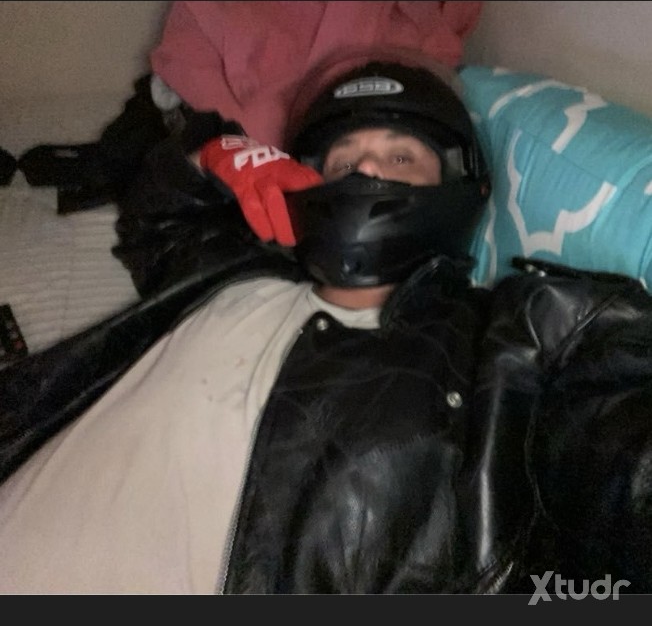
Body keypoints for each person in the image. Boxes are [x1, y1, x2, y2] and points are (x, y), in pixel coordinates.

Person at [0, 60, 651, 595]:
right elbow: (156, 221)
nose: (365, 171)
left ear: (459, 186)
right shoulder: (237, 269)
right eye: (343, 162)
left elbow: (617, 446)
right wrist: (212, 154)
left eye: (400, 157)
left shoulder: (502, 343)